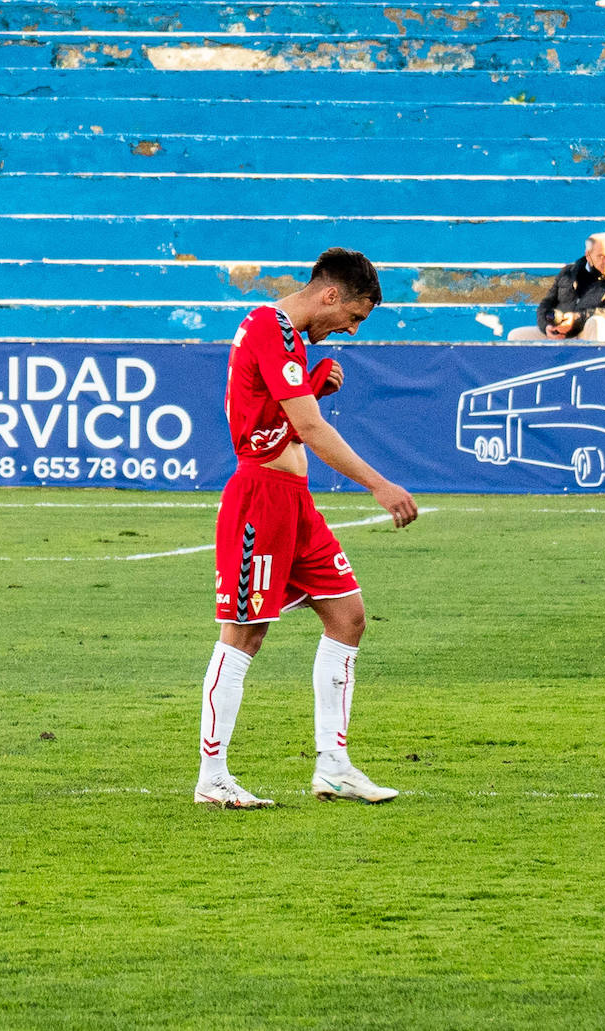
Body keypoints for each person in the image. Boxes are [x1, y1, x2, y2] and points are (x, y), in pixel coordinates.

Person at [194, 247, 418, 810]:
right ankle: (212, 775)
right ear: (330, 294)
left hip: (296, 503)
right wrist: (378, 484)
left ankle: (334, 766)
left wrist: (314, 384)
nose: (351, 328)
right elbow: (309, 430)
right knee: (244, 634)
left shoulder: (289, 339)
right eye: (354, 316)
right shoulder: (270, 330)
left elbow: (277, 414)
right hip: (259, 503)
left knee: (348, 617)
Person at [507, 232, 605, 342]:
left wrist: (575, 320)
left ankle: (593, 368)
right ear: (588, 255)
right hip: (562, 333)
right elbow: (545, 304)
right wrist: (547, 327)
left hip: (590, 332)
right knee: (516, 336)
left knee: (597, 323)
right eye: (601, 256)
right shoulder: (569, 272)